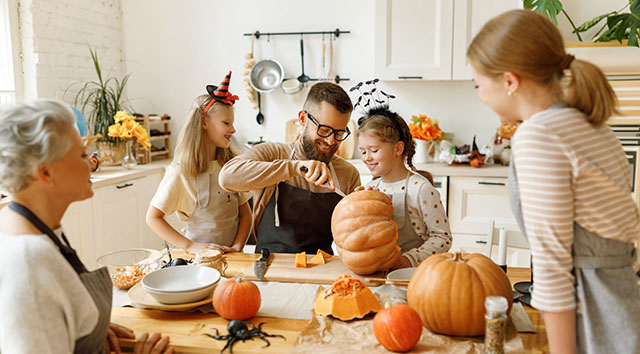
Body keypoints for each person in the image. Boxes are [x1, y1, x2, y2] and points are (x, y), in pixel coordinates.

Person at [467, 9, 640, 354]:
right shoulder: (592, 125)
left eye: (478, 85)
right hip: (623, 302)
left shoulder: (538, 135)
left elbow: (553, 267)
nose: (480, 96)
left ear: (510, 81)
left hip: (594, 315)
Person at [0, 99, 173, 353]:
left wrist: (87, 326)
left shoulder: (38, 227)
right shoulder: (29, 263)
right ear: (46, 173)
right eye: (82, 155)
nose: (93, 162)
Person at [219, 82, 361, 255]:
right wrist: (294, 167)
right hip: (270, 266)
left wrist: (365, 204)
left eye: (339, 133)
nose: (331, 141)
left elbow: (355, 236)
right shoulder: (273, 153)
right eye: (324, 130)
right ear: (302, 119)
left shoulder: (348, 173)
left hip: (322, 267)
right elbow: (227, 178)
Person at [146, 72, 251, 254]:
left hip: (232, 257)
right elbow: (153, 218)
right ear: (204, 122)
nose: (232, 129)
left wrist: (236, 248)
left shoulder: (231, 165)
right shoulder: (181, 172)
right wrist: (189, 246)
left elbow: (245, 215)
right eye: (226, 123)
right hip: (199, 262)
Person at [356, 106, 452, 270]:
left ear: (398, 149)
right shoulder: (371, 188)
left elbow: (442, 238)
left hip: (415, 273)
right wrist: (359, 206)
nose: (367, 158)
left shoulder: (420, 189)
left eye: (374, 150)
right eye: (363, 152)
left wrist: (409, 260)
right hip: (380, 271)